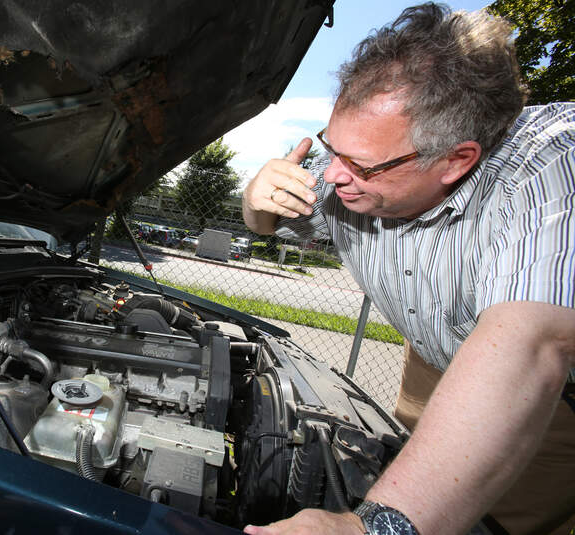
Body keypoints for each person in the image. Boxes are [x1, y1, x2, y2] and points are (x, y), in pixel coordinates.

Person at [241, 3, 575, 535]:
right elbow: (265, 223)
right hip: (433, 360)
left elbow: (532, 347)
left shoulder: (554, 162)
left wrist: (371, 529)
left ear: (455, 161)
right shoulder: (359, 172)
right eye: (332, 148)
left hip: (548, 399)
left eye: (361, 165)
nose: (332, 176)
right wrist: (256, 199)